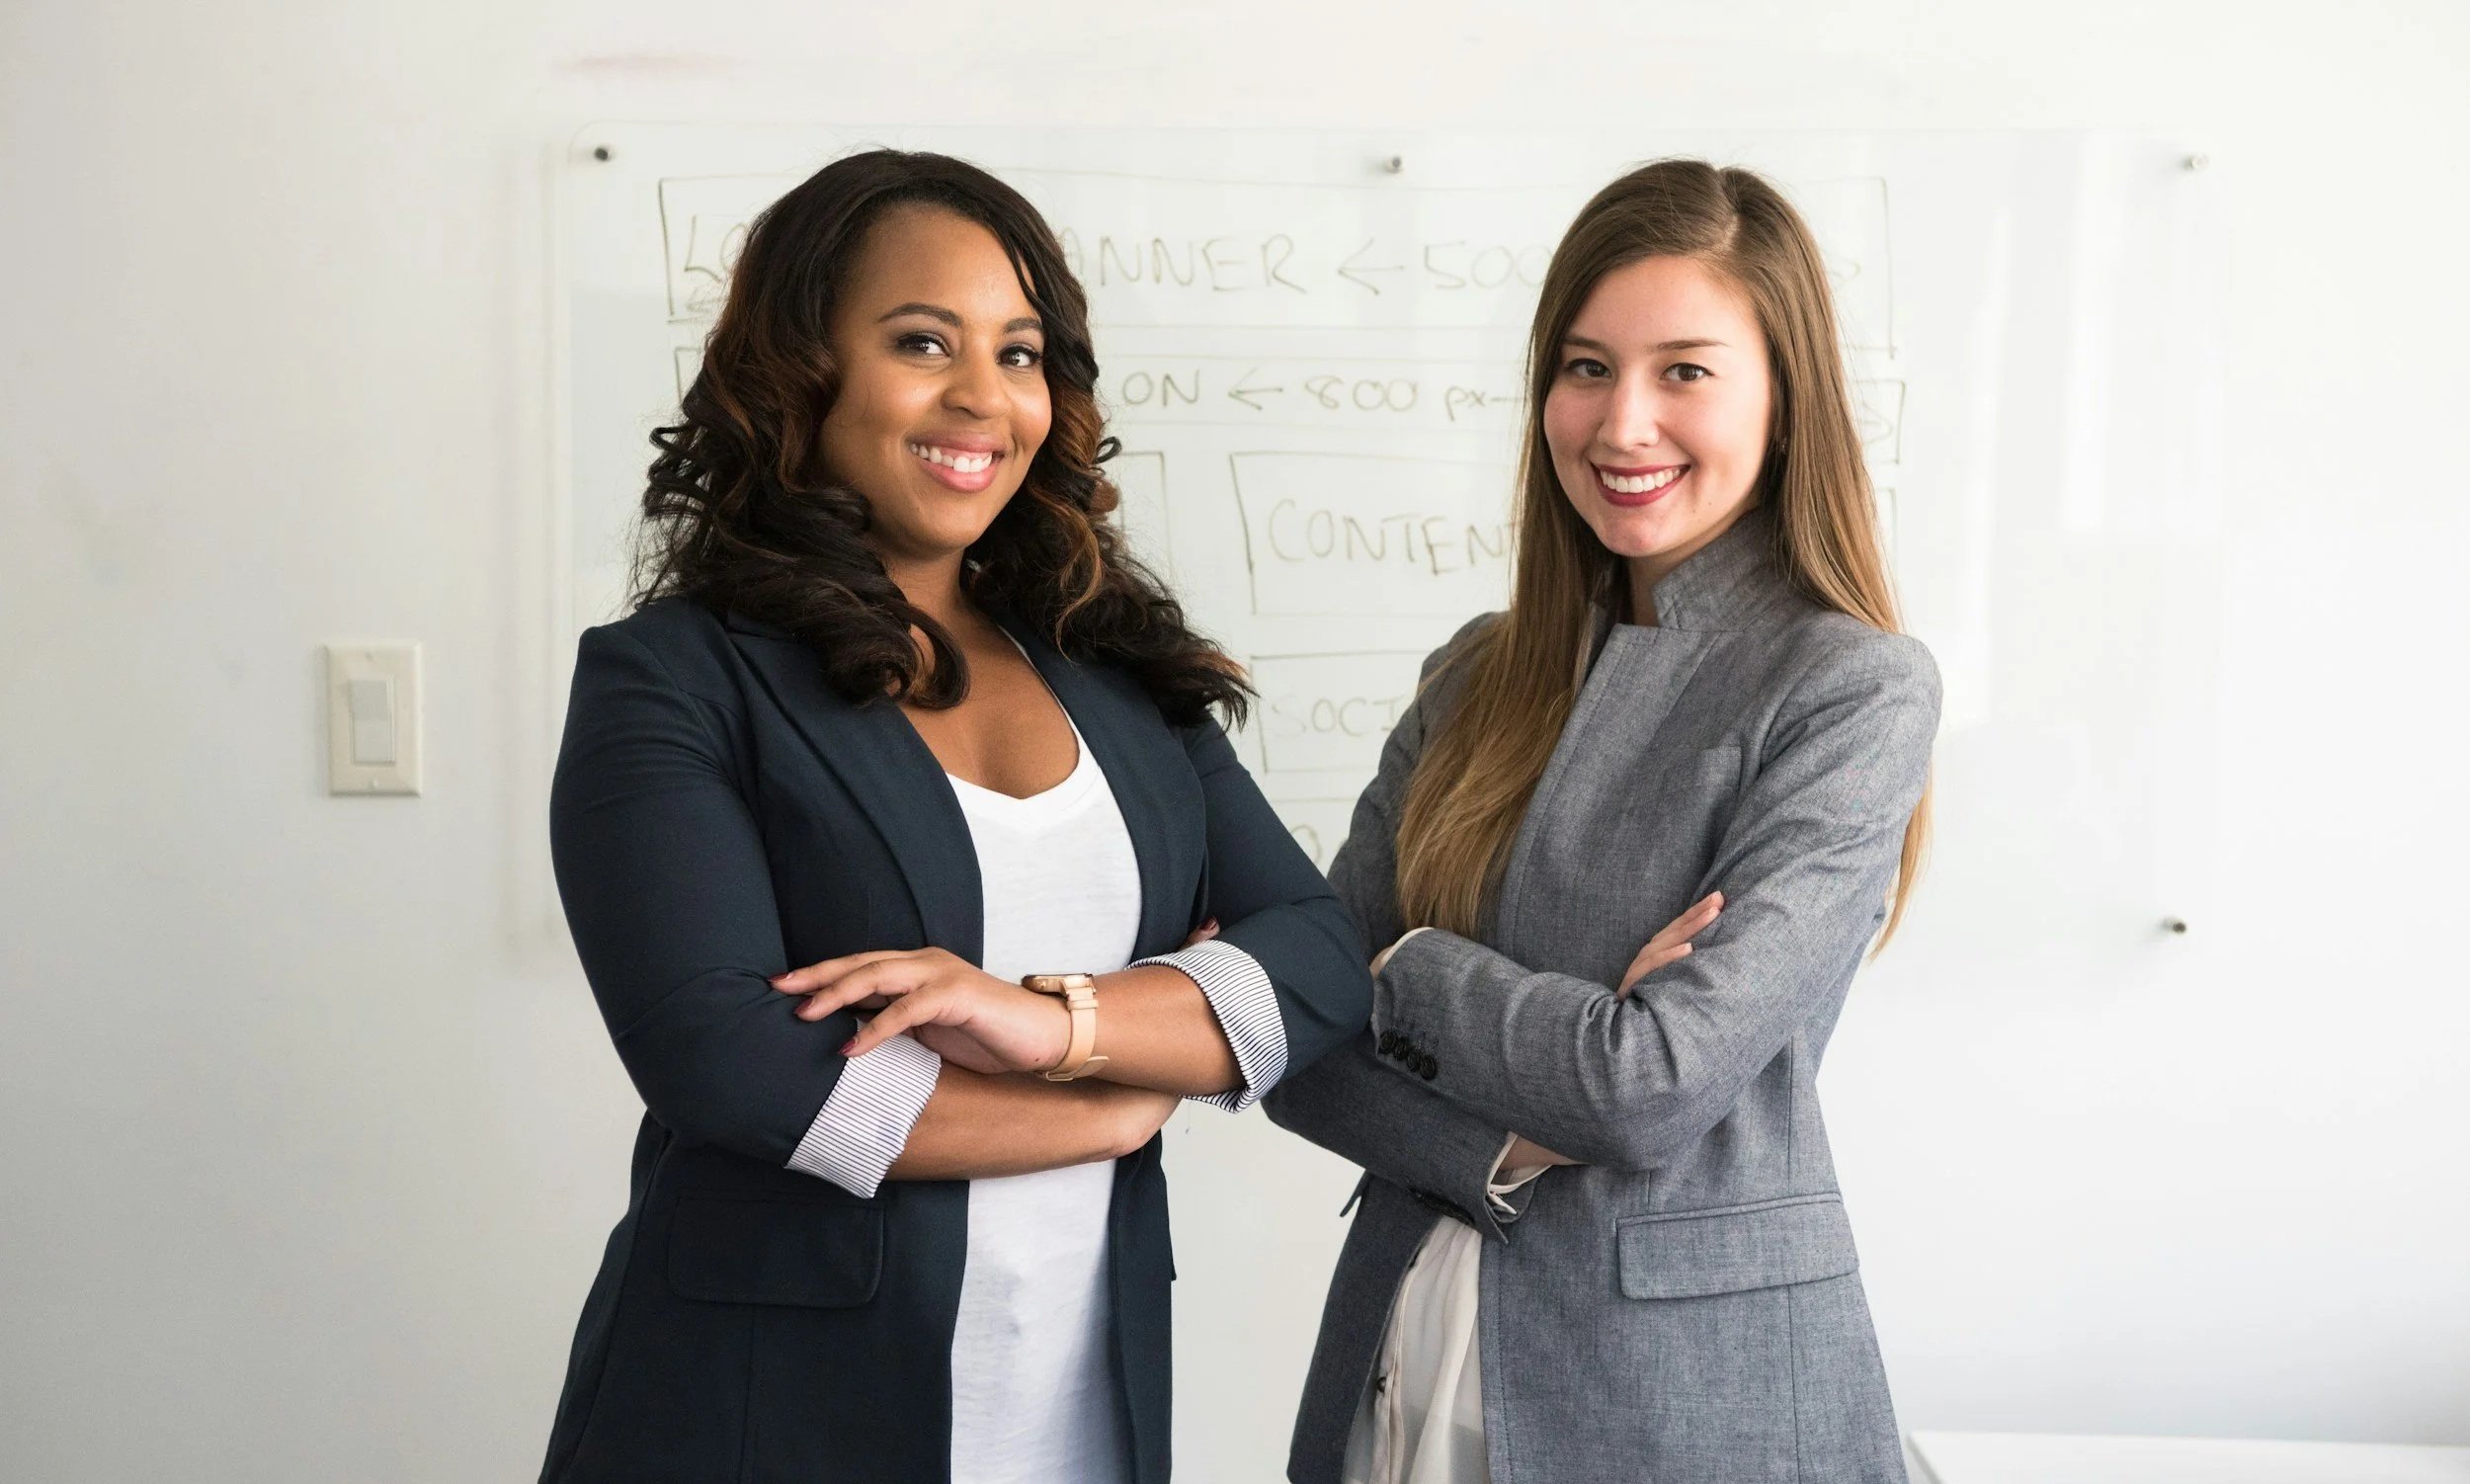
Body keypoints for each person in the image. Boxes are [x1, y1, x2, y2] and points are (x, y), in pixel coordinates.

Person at [538, 149, 1369, 1484]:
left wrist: (1061, 1026)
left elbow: (1320, 956)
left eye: (1022, 352)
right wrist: (1107, 1105)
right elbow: (731, 1061)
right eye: (923, 341)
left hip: (1079, 1420)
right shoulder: (677, 680)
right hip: (767, 1421)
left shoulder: (1117, 676)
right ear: (803, 370)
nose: (985, 395)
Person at [1264, 158, 1940, 1484]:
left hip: (1685, 1400)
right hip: (1401, 1355)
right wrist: (1503, 1139)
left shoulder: (1851, 684)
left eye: (1684, 369)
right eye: (1585, 367)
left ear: (1784, 396)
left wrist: (1406, 970)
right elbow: (1293, 1030)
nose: (1624, 422)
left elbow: (1649, 1084)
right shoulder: (1476, 670)